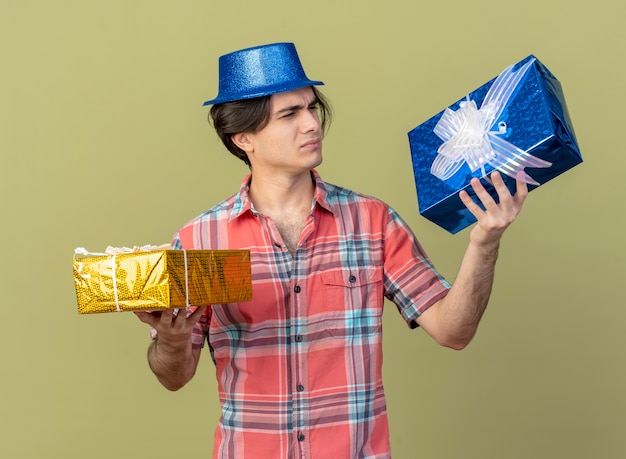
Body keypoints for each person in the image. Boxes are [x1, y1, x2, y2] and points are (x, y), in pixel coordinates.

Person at [135, 42, 528, 459]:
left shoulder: (373, 221)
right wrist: (173, 340)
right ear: (243, 137)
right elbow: (173, 377)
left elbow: (454, 331)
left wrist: (484, 242)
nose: (311, 124)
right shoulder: (199, 240)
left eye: (311, 108)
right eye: (289, 114)